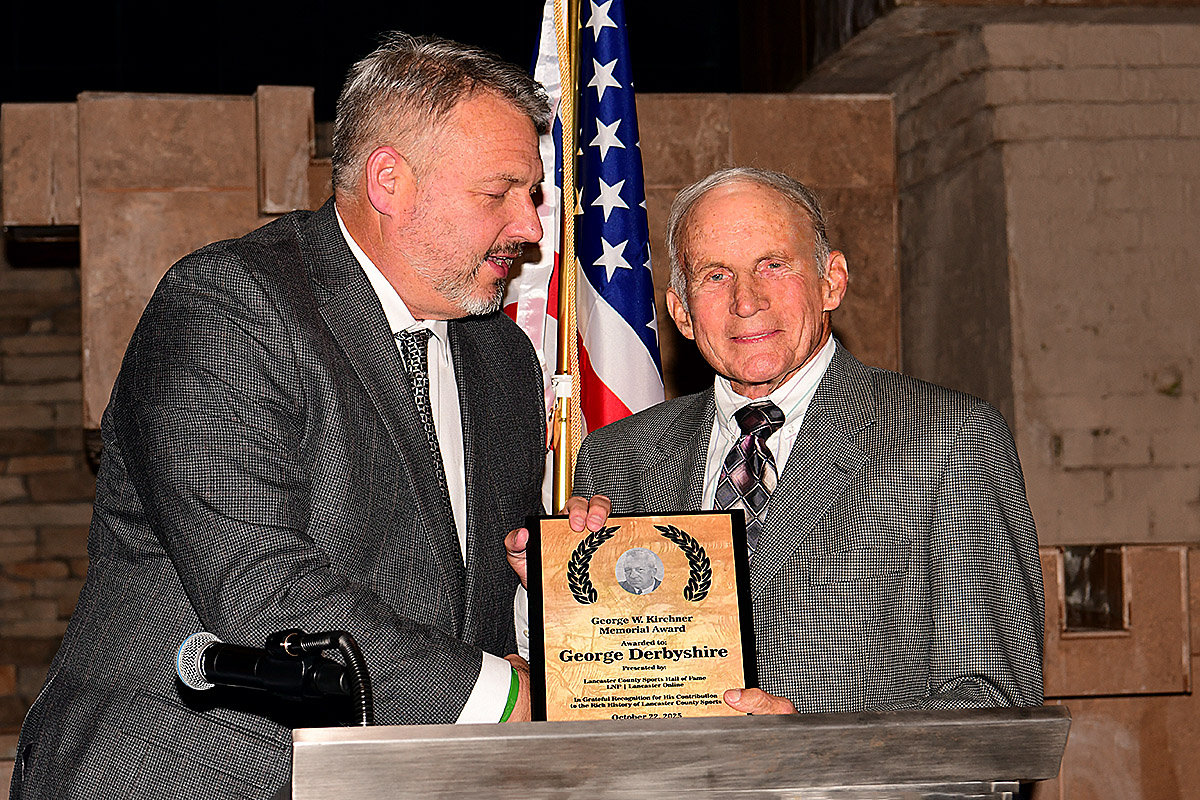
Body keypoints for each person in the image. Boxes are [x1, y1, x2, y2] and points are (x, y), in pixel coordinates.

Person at [11, 33, 569, 800]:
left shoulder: (503, 358)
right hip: (189, 778)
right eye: (501, 192)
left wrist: (560, 584)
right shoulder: (227, 304)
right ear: (390, 181)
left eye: (532, 194)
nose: (532, 227)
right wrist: (503, 698)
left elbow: (466, 614)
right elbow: (260, 588)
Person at [544, 166, 1045, 716]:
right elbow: (595, 698)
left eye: (773, 265)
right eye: (715, 275)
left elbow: (995, 706)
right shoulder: (618, 457)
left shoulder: (949, 438)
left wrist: (813, 746)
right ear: (682, 313)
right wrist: (553, 596)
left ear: (831, 281)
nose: (746, 301)